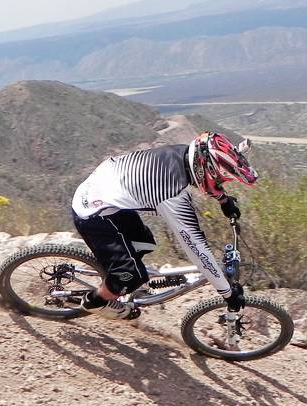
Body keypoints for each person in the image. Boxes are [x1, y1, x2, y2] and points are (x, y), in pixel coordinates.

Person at [72, 132, 258, 319]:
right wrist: (227, 293)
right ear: (207, 170)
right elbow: (197, 250)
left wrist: (223, 199)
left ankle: (119, 276)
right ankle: (95, 301)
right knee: (131, 275)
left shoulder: (182, 154)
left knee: (145, 243)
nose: (220, 183)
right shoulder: (173, 195)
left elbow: (203, 177)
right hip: (92, 212)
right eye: (220, 180)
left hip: (104, 191)